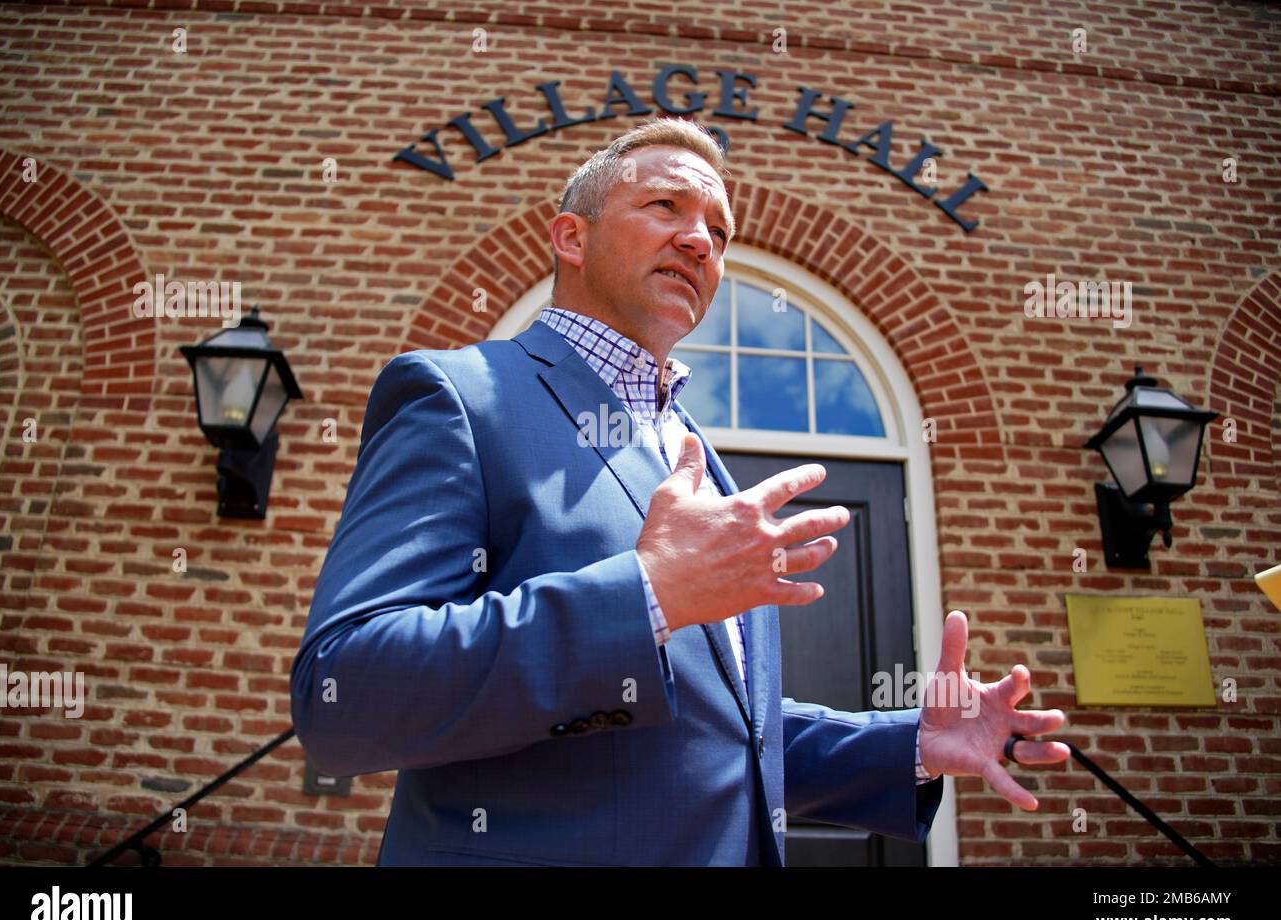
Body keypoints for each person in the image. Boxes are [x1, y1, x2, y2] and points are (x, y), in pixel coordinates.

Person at [289, 116, 1069, 866]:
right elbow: (345, 690)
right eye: (665, 206)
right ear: (571, 236)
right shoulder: (460, 397)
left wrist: (911, 747)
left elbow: (727, 735)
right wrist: (648, 594)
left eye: (720, 232)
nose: (700, 239)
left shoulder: (692, 454)